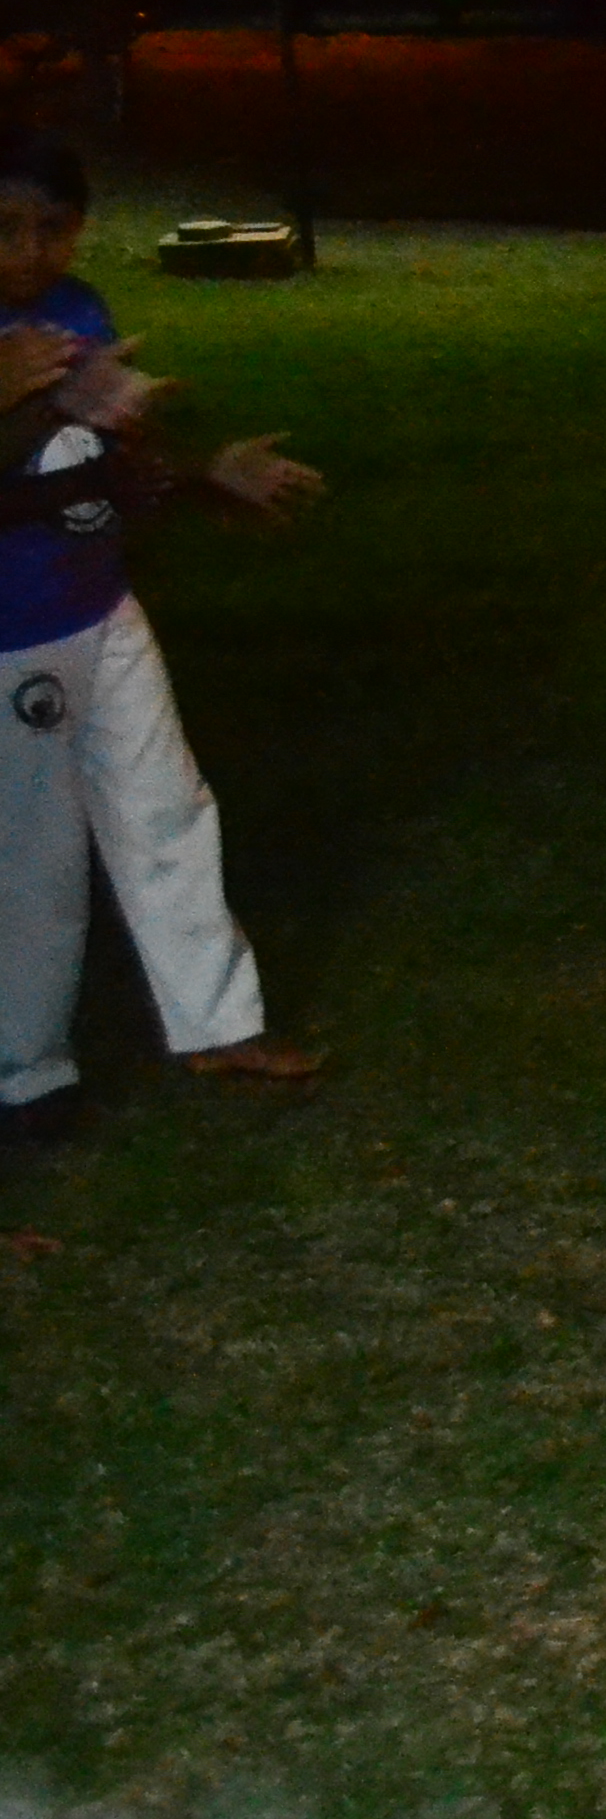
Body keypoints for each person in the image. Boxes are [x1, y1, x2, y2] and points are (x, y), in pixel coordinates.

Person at [2, 133, 332, 1136]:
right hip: (15, 635)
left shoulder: (74, 311)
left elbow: (108, 457)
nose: (30, 252)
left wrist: (199, 475)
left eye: (53, 228)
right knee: (34, 855)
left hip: (100, 606)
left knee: (168, 809)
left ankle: (217, 1023)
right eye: (4, 229)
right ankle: (27, 1073)